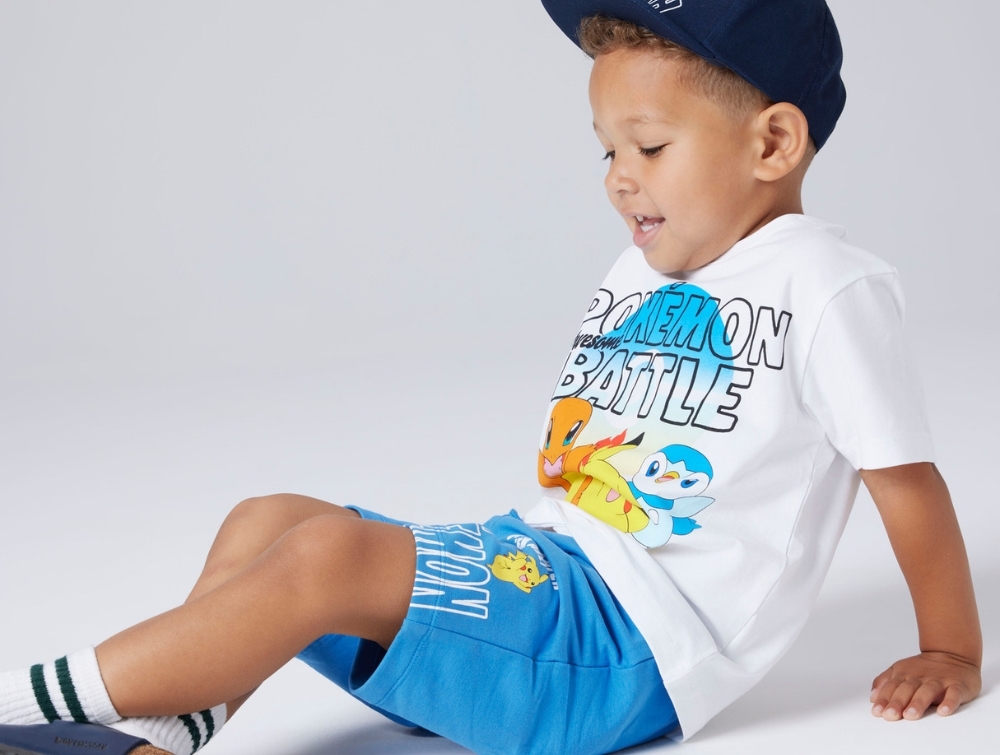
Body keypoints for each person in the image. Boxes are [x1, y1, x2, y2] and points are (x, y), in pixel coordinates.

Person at [0, 1, 983, 754]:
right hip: (544, 573)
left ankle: (26, 699)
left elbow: (903, 479)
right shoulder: (645, 267)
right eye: (608, 149)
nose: (618, 175)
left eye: (649, 146)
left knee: (328, 556)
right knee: (269, 519)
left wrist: (950, 647)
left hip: (625, 650)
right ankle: (155, 739)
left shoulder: (825, 284)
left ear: (772, 143)